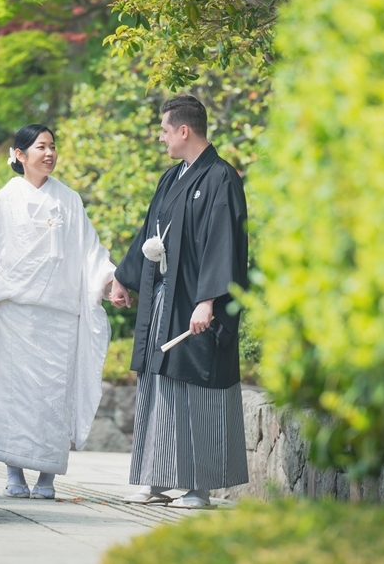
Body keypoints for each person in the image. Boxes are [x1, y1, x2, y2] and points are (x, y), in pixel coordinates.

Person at [109, 95, 250, 509]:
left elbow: (224, 244)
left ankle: (197, 487)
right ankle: (155, 479)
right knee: (159, 384)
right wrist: (123, 277)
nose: (161, 137)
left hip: (198, 303)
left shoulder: (222, 178)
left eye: (165, 130)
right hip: (165, 299)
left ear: (183, 130)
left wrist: (207, 300)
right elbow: (148, 235)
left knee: (196, 389)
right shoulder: (171, 178)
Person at [0, 124, 115, 499]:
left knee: (53, 398)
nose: (49, 154)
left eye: (52, 147)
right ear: (20, 154)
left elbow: (90, 251)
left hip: (58, 318)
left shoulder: (69, 201)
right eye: (41, 147)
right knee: (11, 397)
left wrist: (109, 281)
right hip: (13, 317)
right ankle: (13, 472)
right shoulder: (2, 201)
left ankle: (47, 476)